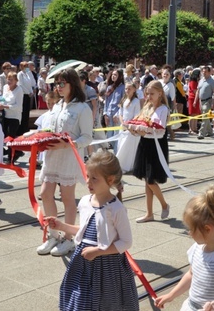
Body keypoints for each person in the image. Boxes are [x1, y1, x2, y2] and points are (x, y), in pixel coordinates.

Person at [49, 150, 138, 311]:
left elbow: (126, 242)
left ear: (110, 180)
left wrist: (97, 251)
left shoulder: (116, 208)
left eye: (94, 179)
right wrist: (61, 226)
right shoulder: (85, 201)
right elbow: (84, 231)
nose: (88, 182)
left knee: (107, 302)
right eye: (88, 176)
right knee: (80, 299)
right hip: (83, 262)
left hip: (108, 266)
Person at [36, 68, 94, 257]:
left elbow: (87, 137)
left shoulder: (82, 108)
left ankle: (69, 238)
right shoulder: (58, 105)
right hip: (52, 156)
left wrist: (69, 144)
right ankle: (53, 234)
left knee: (67, 197)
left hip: (69, 157)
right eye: (56, 84)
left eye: (62, 84)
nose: (58, 87)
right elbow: (50, 128)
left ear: (73, 84)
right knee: (45, 193)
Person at [127, 80, 171, 223]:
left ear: (160, 93)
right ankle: (149, 213)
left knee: (151, 179)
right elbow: (140, 123)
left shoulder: (163, 109)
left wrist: (143, 130)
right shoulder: (147, 107)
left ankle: (164, 204)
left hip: (156, 145)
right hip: (145, 143)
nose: (149, 96)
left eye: (152, 93)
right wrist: (133, 128)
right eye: (147, 93)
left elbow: (159, 131)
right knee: (147, 180)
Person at [0, 71, 24, 139]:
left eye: (11, 79)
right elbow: (3, 98)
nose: (9, 81)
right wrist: (0, 103)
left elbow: (18, 106)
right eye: (8, 79)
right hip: (4, 116)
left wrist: (5, 106)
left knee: (10, 137)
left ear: (16, 81)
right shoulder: (5, 87)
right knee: (3, 136)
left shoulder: (19, 90)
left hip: (14, 117)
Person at [103, 68, 125, 139]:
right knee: (109, 135)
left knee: (116, 135)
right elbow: (106, 102)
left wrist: (117, 114)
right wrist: (105, 114)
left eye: (115, 75)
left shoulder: (123, 88)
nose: (113, 76)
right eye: (112, 74)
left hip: (117, 115)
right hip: (109, 114)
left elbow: (123, 103)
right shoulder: (109, 87)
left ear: (120, 76)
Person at [196, 66, 214, 140]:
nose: (204, 73)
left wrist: (213, 102)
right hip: (201, 101)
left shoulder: (212, 81)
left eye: (205, 72)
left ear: (209, 72)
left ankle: (201, 133)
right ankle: (210, 131)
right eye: (203, 71)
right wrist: (196, 100)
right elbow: (198, 91)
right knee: (205, 116)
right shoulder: (201, 80)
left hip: (208, 101)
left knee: (204, 116)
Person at [187, 68, 200, 135]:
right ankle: (191, 129)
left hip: (196, 98)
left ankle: (195, 128)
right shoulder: (192, 82)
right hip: (192, 98)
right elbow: (194, 91)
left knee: (196, 114)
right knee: (192, 114)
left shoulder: (196, 81)